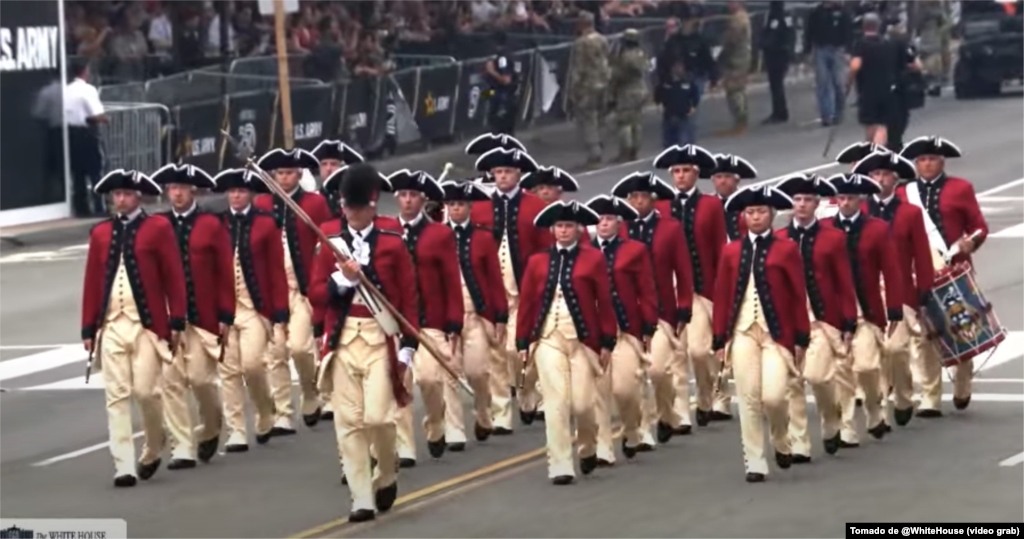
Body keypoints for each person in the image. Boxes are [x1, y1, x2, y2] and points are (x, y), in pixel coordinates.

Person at [308, 163, 418, 522]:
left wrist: (409, 346)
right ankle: (361, 499)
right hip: (342, 340)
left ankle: (386, 471)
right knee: (349, 422)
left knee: (379, 419)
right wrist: (341, 281)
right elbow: (315, 293)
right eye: (347, 207)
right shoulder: (329, 240)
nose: (351, 214)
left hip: (379, 338)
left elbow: (408, 298)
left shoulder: (392, 242)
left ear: (372, 205)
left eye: (357, 207)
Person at [80, 169, 186, 486]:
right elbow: (92, 281)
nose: (121, 199)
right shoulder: (101, 233)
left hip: (147, 326)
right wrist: (88, 328)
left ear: (138, 196)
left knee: (147, 392)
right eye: (117, 194)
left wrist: (177, 319)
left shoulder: (158, 228)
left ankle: (153, 444)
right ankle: (123, 465)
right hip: (111, 324)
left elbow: (173, 276)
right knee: (116, 397)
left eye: (126, 194)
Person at [515, 200, 617, 484]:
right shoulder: (537, 261)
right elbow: (527, 303)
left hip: (584, 341)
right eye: (559, 226)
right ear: (552, 230)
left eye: (569, 226)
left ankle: (588, 446)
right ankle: (560, 465)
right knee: (556, 403)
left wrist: (607, 341)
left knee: (583, 405)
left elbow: (604, 301)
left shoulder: (593, 259)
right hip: (548, 338)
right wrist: (523, 341)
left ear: (578, 229)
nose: (563, 230)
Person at [711, 186, 808, 483]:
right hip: (742, 331)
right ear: (743, 215)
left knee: (774, 397)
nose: (755, 217)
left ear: (772, 214)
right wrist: (719, 338)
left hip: (776, 334)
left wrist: (801, 337)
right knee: (749, 398)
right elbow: (722, 295)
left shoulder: (787, 249)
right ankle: (754, 461)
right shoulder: (731, 251)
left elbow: (797, 295)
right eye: (750, 212)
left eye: (761, 212)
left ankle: (781, 438)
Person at [897, 136, 988, 414]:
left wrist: (970, 241)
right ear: (916, 163)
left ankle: (963, 380)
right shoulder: (903, 193)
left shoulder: (960, 188)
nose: (927, 164)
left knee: (961, 327)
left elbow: (979, 227)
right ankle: (930, 396)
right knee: (924, 335)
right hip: (918, 271)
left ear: (942, 161)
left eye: (933, 159)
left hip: (955, 271)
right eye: (922, 160)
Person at [151, 164, 232, 469]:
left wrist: (226, 314)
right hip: (167, 318)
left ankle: (211, 426)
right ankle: (182, 448)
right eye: (173, 188)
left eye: (182, 188)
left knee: (200, 379)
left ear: (192, 190)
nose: (177, 193)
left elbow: (224, 272)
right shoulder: (158, 224)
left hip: (202, 317)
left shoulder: (211, 224)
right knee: (171, 384)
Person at [774, 173, 856, 460]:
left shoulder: (833, 238)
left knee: (818, 377)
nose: (802, 204)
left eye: (808, 199)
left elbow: (844, 282)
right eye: (797, 199)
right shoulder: (778, 238)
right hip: (787, 320)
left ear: (817, 203)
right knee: (791, 382)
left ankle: (831, 419)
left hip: (822, 319)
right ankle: (799, 443)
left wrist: (848, 320)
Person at [470, 148, 551, 433]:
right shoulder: (480, 207)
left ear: (518, 174)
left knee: (518, 351)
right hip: (492, 293)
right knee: (495, 353)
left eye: (508, 171)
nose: (502, 176)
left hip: (524, 291)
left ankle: (527, 394)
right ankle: (501, 414)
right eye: (498, 172)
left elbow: (545, 250)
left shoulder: (535, 206)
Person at [254, 148, 333, 434]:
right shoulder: (262, 203)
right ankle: (283, 413)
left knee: (300, 347)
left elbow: (327, 242)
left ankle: (311, 393)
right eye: (280, 173)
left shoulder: (314, 203)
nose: (284, 178)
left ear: (299, 174)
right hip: (273, 289)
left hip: (302, 288)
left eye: (289, 173)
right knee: (275, 352)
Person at [611, 172, 693, 444]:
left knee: (658, 370)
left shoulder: (670, 228)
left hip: (661, 311)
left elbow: (683, 270)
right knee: (632, 378)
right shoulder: (620, 229)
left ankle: (667, 414)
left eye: (643, 197)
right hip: (628, 315)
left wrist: (684, 306)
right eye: (633, 197)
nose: (638, 202)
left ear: (653, 199)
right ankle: (642, 430)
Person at [388, 169, 465, 460]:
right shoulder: (386, 231)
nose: (408, 201)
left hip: (429, 321)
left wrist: (454, 322)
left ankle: (435, 423)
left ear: (423, 200)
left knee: (431, 380)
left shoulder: (440, 234)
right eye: (403, 195)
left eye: (413, 196)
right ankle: (404, 446)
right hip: (396, 322)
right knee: (399, 383)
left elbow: (451, 280)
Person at [211, 168, 289, 453]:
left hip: (254, 309)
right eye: (232, 191)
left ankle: (265, 409)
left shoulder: (266, 223)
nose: (236, 195)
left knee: (253, 365)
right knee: (228, 371)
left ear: (251, 194)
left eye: (241, 191)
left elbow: (276, 271)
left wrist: (280, 311)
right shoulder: (216, 223)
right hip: (224, 309)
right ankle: (236, 431)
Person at [855, 151, 935, 427]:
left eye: (885, 174)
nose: (880, 179)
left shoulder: (910, 213)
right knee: (870, 355)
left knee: (897, 349)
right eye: (875, 174)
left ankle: (903, 395)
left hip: (900, 291)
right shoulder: (859, 211)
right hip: (867, 294)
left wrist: (923, 291)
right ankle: (879, 408)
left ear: (895, 179)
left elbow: (921, 255)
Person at [824, 173, 904, 446]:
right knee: (841, 370)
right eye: (841, 198)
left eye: (851, 198)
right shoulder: (824, 228)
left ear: (861, 200)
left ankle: (873, 407)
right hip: (834, 311)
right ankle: (846, 427)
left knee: (867, 366)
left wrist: (894, 309)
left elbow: (891, 271)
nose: (845, 203)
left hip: (866, 309)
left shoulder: (877, 229)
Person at [652, 145, 729, 425]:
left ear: (696, 174)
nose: (681, 176)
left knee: (699, 351)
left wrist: (721, 289)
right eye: (676, 171)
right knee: (676, 355)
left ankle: (707, 398)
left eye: (686, 170)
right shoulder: (661, 206)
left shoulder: (711, 205)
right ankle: (681, 414)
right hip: (669, 292)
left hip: (701, 289)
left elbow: (720, 249)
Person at [586, 194, 659, 460]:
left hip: (626, 328)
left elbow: (646, 290)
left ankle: (632, 430)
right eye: (600, 219)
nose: (604, 224)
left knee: (625, 388)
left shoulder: (634, 250)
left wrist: (648, 326)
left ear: (619, 223)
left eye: (609, 219)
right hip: (594, 331)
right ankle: (603, 448)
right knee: (598, 391)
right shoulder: (585, 252)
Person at [441, 180, 509, 442]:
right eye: (451, 204)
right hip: (446, 315)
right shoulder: (438, 236)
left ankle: (483, 410)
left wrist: (500, 314)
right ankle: (454, 430)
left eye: (460, 204)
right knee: (448, 371)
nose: (455, 209)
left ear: (469, 207)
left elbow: (494, 278)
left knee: (477, 372)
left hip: (476, 315)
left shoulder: (483, 237)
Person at [310, 139, 366, 422]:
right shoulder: (313, 203)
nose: (329, 169)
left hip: (353, 281)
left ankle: (335, 398)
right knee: (319, 338)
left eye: (335, 164)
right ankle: (325, 395)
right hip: (318, 277)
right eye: (325, 164)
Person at [846, 13, 919, 146]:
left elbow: (855, 66)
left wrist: (849, 83)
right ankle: (876, 149)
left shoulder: (861, 44)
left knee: (871, 124)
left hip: (868, 91)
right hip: (889, 90)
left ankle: (872, 149)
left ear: (863, 27)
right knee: (883, 124)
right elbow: (914, 65)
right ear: (879, 26)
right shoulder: (889, 43)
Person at [567, 11, 611, 168]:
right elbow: (607, 60)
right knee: (601, 117)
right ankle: (601, 144)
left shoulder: (580, 43)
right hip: (603, 83)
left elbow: (578, 68)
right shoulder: (602, 39)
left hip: (587, 86)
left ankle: (594, 153)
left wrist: (573, 89)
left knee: (588, 119)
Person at [65, 57, 108, 217]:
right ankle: (99, 207)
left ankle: (81, 208)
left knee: (78, 174)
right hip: (87, 133)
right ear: (85, 71)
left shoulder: (65, 90)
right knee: (96, 172)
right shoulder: (87, 89)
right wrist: (105, 118)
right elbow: (97, 114)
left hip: (70, 134)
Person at [804, 0, 854, 126]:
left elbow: (849, 32)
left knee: (838, 83)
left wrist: (848, 51)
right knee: (822, 83)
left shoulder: (842, 12)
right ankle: (826, 115)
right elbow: (809, 32)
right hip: (820, 49)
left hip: (838, 50)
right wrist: (808, 50)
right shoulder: (816, 12)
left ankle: (838, 112)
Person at [610, 28, 649, 162]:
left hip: (627, 91)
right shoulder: (641, 53)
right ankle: (635, 150)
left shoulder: (626, 56)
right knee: (636, 122)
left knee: (624, 123)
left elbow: (619, 75)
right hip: (641, 89)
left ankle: (625, 151)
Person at [656, 17, 718, 101]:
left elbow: (708, 59)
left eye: (672, 26)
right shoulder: (669, 43)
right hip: (677, 78)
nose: (670, 29)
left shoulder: (697, 40)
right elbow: (662, 62)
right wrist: (663, 80)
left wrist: (713, 77)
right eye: (668, 27)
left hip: (695, 75)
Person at [716, 0, 753, 135]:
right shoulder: (741, 16)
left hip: (736, 59)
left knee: (735, 91)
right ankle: (741, 121)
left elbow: (732, 40)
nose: (729, 5)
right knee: (738, 91)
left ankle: (740, 122)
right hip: (740, 57)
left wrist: (722, 56)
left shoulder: (738, 19)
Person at [760, 0, 797, 124]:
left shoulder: (780, 16)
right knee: (775, 85)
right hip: (774, 53)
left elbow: (784, 34)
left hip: (778, 53)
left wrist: (765, 44)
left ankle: (780, 112)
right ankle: (779, 110)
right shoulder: (774, 16)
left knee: (777, 84)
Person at [312, 140, 365, 221]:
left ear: (343, 167)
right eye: (324, 164)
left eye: (333, 164)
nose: (328, 169)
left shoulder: (354, 198)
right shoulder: (312, 199)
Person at [654, 59, 701, 147]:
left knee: (683, 140)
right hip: (669, 115)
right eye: (676, 67)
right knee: (669, 142)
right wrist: (658, 103)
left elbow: (695, 94)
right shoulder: (666, 82)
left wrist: (694, 106)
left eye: (680, 67)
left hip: (684, 115)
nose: (678, 69)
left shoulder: (687, 82)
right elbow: (658, 93)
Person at [709, 153, 755, 241]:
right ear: (713, 180)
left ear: (737, 180)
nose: (723, 181)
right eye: (719, 177)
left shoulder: (749, 201)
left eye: (727, 176)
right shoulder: (707, 204)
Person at [484, 31, 521, 135]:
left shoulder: (502, 58)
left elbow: (506, 80)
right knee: (483, 94)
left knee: (483, 95)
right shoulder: (510, 54)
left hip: (502, 96)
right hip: (509, 96)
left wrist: (491, 71)